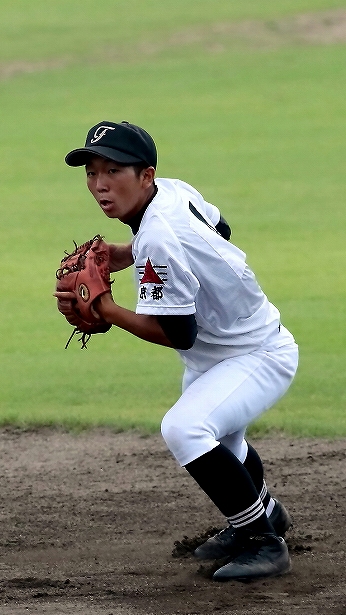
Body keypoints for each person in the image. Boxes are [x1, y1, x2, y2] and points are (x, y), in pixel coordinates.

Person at [55, 121, 299, 580]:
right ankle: (262, 515)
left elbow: (177, 333)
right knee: (224, 440)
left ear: (145, 175)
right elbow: (219, 228)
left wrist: (106, 308)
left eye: (113, 171)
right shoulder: (171, 192)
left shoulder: (159, 237)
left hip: (257, 355)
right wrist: (130, 254)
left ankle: (265, 543)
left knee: (185, 429)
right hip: (228, 349)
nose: (99, 185)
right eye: (91, 172)